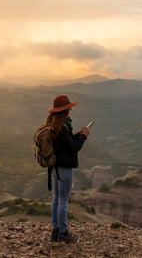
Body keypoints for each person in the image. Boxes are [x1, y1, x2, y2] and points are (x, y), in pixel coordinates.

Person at [45, 94, 90, 243]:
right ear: (65, 111)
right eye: (69, 108)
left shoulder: (53, 126)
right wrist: (83, 136)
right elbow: (74, 147)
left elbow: (67, 143)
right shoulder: (63, 127)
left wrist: (78, 134)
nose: (70, 110)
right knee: (63, 201)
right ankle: (63, 233)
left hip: (56, 167)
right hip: (64, 169)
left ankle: (55, 231)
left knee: (56, 199)